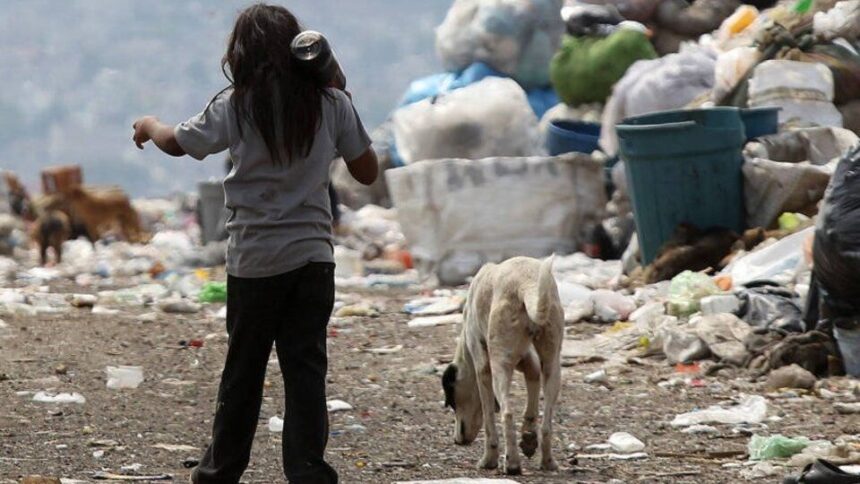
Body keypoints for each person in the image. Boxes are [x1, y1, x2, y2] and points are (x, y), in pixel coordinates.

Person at [130, 4, 378, 483]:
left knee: (243, 374)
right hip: (312, 261)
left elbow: (179, 142)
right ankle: (308, 472)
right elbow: (366, 171)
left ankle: (220, 472)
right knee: (305, 373)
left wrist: (148, 123)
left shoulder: (236, 103)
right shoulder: (331, 104)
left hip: (254, 262)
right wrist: (339, 88)